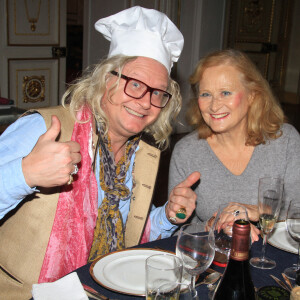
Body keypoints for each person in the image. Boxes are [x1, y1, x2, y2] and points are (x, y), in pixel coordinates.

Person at [0, 6, 200, 299]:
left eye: (157, 93)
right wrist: (25, 173)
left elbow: (131, 238)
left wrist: (168, 217)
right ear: (106, 78)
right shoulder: (41, 129)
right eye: (134, 85)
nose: (145, 102)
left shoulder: (142, 155)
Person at [168, 49, 300, 240]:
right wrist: (213, 226)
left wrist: (259, 212)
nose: (214, 106)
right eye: (206, 94)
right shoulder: (186, 152)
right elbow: (175, 230)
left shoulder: (286, 141)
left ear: (252, 95)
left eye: (225, 92)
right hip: (216, 263)